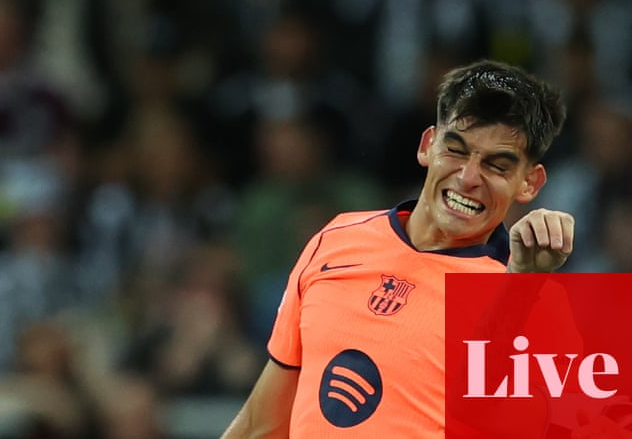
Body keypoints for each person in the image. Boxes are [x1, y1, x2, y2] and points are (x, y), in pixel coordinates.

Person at [220, 60, 572, 437]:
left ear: (529, 183)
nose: (469, 177)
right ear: (427, 146)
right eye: (455, 150)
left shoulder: (535, 300)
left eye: (497, 166)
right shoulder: (335, 240)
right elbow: (262, 424)